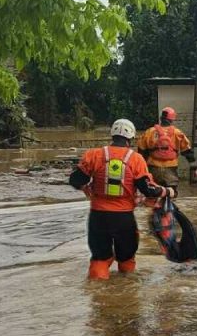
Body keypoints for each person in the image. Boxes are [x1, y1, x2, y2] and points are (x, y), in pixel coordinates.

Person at [70, 118, 174, 280]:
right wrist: (167, 191)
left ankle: (98, 295)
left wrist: (85, 188)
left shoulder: (94, 155)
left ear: (112, 135)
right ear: (131, 138)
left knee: (100, 258)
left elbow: (75, 180)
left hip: (98, 217)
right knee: (126, 258)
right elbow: (148, 189)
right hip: (124, 218)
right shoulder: (136, 159)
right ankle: (127, 293)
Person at [136, 106, 197, 186]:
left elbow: (141, 152)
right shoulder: (177, 133)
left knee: (153, 193)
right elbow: (188, 153)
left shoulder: (149, 132)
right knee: (171, 192)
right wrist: (194, 169)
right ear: (172, 120)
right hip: (171, 169)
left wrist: (142, 170)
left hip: (153, 168)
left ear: (161, 118)